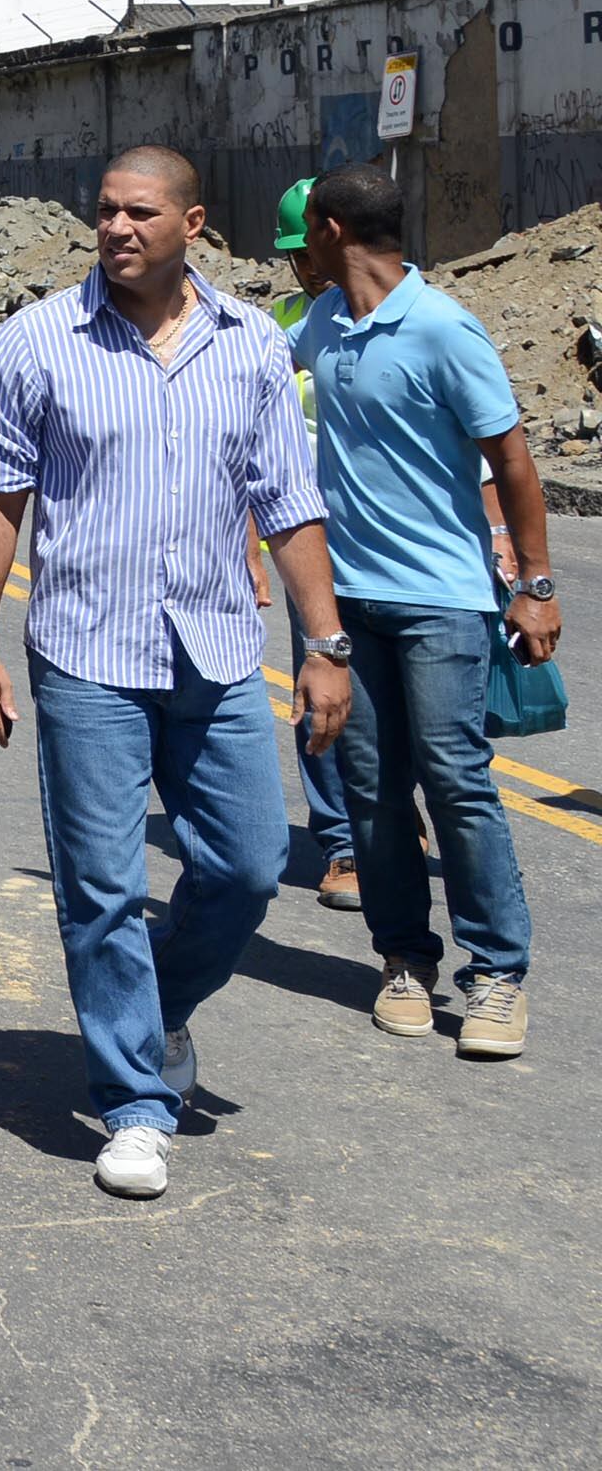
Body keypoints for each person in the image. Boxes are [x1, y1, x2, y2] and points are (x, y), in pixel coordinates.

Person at [0, 147, 350, 1203]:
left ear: (193, 223)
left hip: (216, 649)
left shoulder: (249, 349)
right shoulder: (36, 342)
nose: (117, 228)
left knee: (247, 863)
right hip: (86, 652)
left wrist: (323, 646)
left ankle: (157, 1006)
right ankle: (135, 1104)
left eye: (140, 212)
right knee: (101, 891)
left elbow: (289, 505)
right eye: (103, 212)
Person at [294, 161, 563, 1058]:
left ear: (332, 229)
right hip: (349, 603)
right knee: (371, 790)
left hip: (441, 601)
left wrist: (533, 584)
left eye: (306, 237)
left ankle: (497, 976)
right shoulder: (322, 324)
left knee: (455, 779)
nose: (297, 254)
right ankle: (405, 958)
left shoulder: (446, 328)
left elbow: (513, 460)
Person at [263, 176, 359, 910]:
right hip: (308, 536)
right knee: (318, 680)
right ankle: (342, 844)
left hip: (391, 537)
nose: (312, 266)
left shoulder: (388, 313)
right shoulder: (284, 326)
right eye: (299, 255)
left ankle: (393, 810)